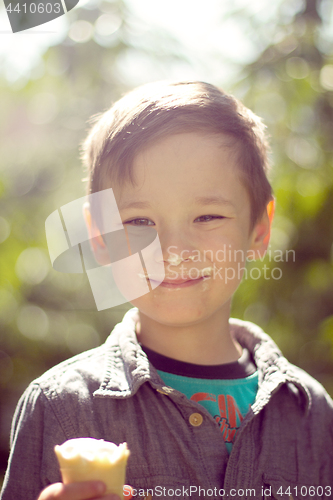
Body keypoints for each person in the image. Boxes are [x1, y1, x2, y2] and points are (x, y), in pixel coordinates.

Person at [1, 81, 333, 500]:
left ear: (259, 229)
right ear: (99, 235)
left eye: (208, 216)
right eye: (139, 222)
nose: (173, 251)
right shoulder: (60, 408)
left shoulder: (311, 413)